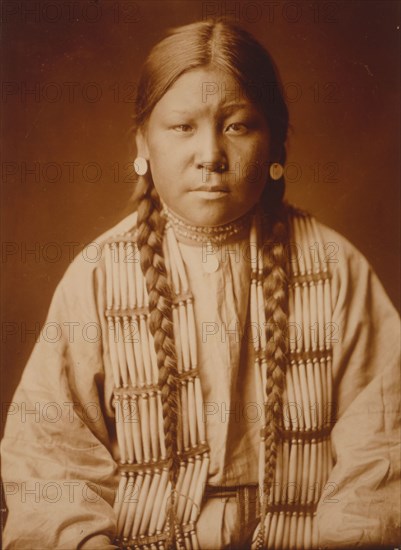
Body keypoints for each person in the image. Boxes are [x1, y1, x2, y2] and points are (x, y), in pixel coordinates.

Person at [1, 19, 400, 550]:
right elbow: (52, 457)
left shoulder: (334, 267)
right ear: (143, 142)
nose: (211, 154)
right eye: (182, 127)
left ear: (276, 141)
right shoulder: (97, 278)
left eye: (237, 125)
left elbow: (381, 443)